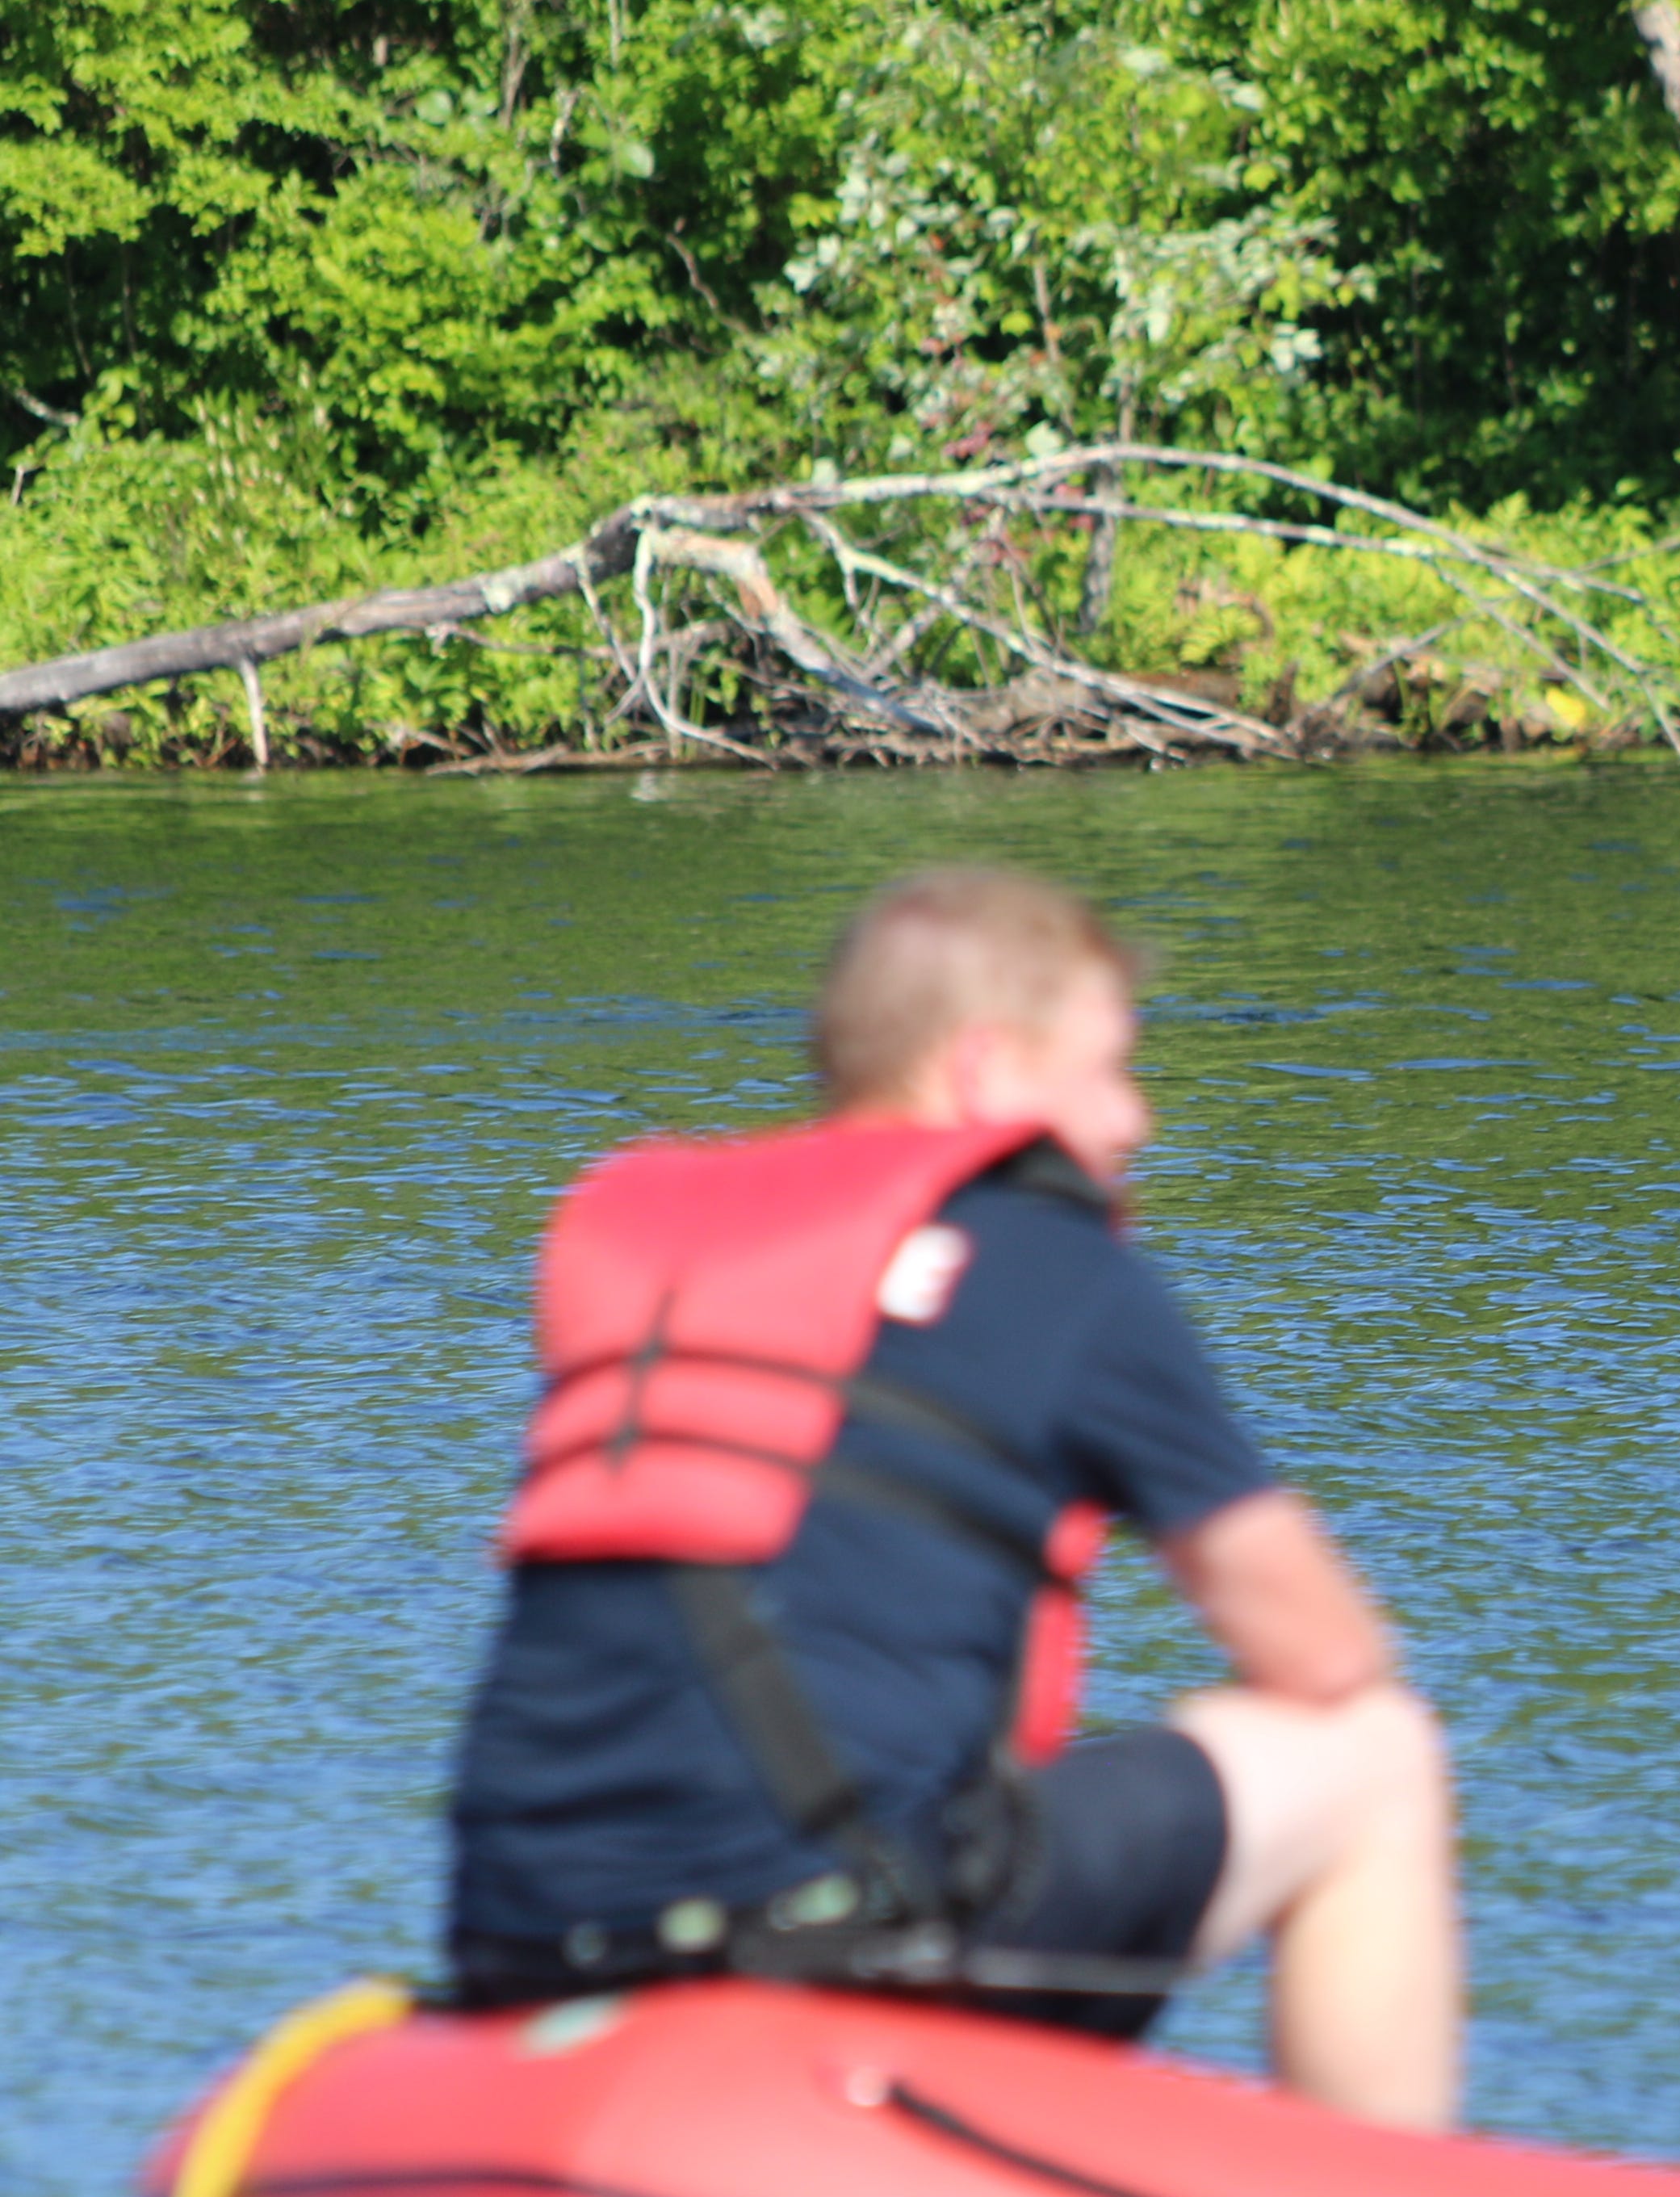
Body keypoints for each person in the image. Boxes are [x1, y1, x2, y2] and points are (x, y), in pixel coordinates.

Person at [447, 868, 1459, 2132]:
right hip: (835, 1930)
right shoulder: (1054, 1264)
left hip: (522, 1930)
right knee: (1376, 1754)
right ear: (984, 1071)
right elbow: (1324, 1651)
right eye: (1106, 1066)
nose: (1133, 1116)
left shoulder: (661, 1246)